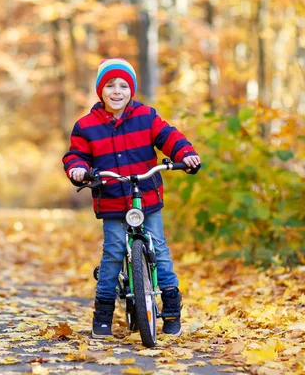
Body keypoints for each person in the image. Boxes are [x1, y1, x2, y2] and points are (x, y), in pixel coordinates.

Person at [62, 58, 201, 338]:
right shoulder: (86, 126)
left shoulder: (146, 117)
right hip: (112, 198)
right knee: (113, 251)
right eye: (110, 85)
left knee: (158, 248)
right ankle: (102, 314)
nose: (117, 91)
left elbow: (169, 137)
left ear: (131, 90)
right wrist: (78, 169)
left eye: (123, 85)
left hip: (146, 195)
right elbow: (75, 154)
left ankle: (171, 308)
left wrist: (184, 154)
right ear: (100, 91)